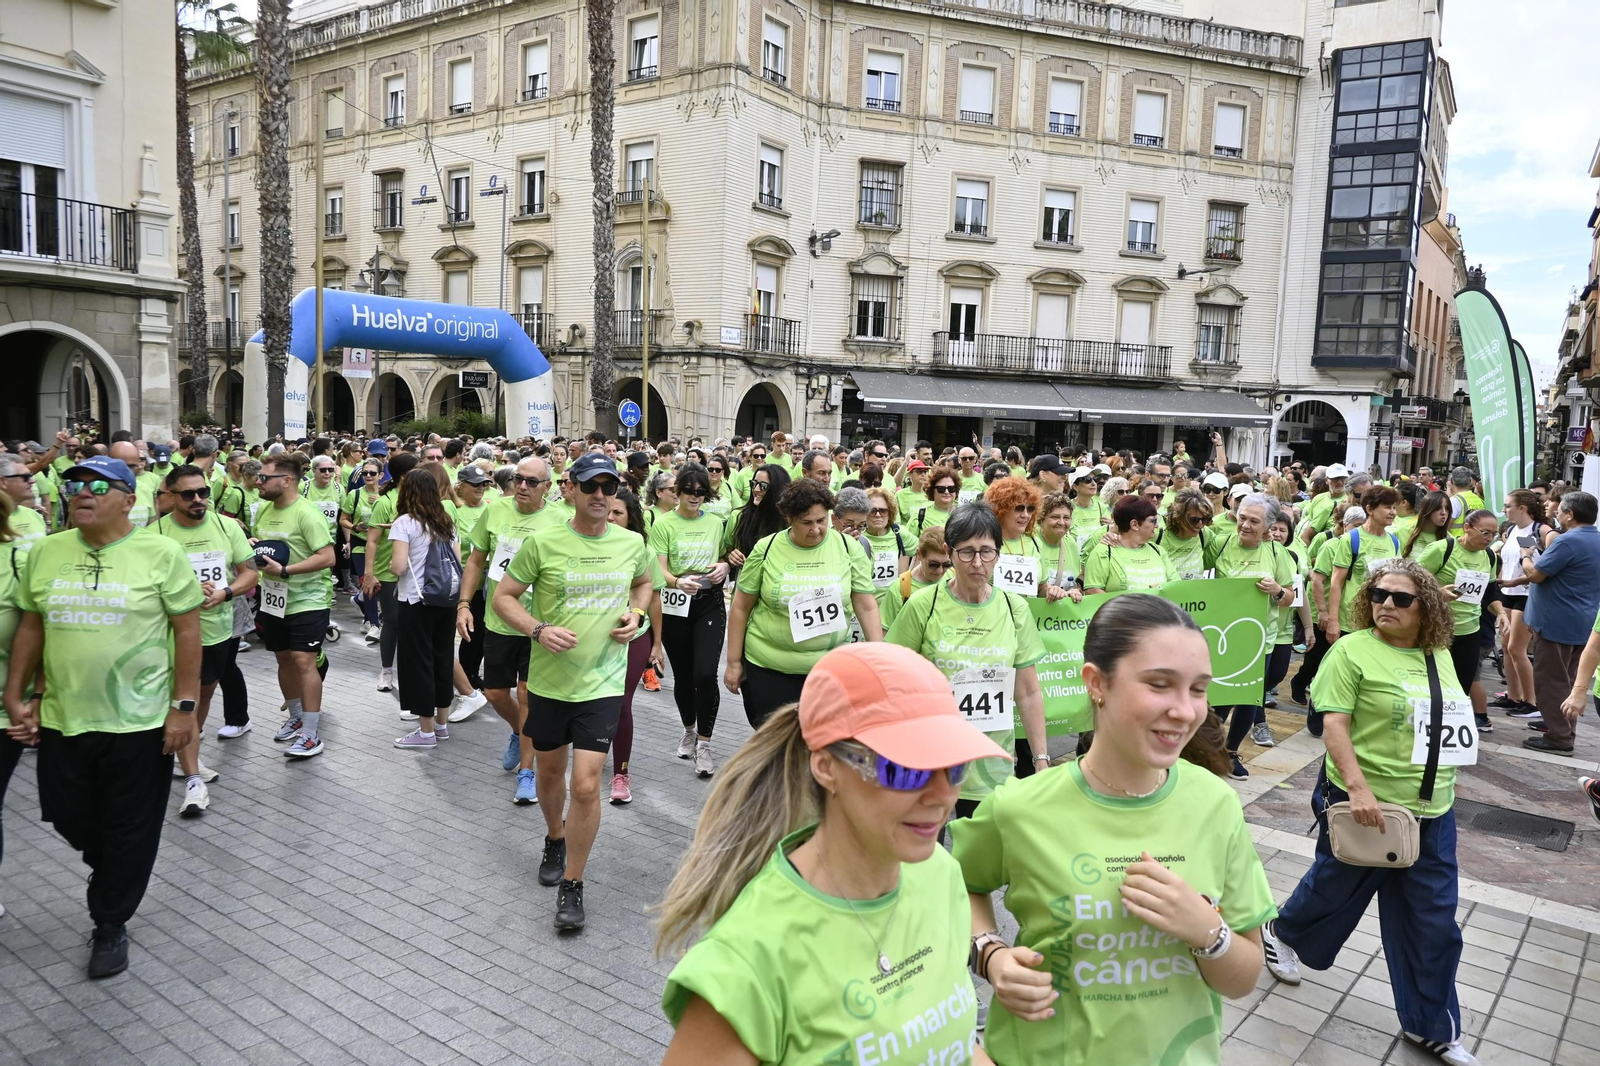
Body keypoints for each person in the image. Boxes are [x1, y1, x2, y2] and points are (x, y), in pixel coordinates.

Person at [952, 595, 1273, 1066]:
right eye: (1160, 684)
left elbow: (1242, 980)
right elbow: (952, 886)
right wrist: (990, 954)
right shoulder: (1019, 807)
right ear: (1096, 683)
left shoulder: (1216, 804)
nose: (1185, 711)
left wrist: (1206, 929)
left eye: (1198, 689)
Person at [656, 643, 1004, 1066]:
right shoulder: (746, 963)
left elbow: (955, 1044)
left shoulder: (940, 873)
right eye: (905, 770)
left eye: (954, 766)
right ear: (825, 767)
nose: (941, 796)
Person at [1261, 560, 1479, 1066]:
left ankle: (1431, 1027)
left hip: (1433, 811)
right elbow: (1334, 725)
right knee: (1333, 888)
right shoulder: (1351, 651)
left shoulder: (1438, 653)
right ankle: (1281, 932)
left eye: (1401, 598)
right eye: (1379, 594)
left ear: (1426, 607)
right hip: (1366, 804)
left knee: (1434, 922)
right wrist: (1357, 790)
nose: (1386, 604)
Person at [3, 455, 202, 978]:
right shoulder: (46, 550)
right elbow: (31, 625)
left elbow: (187, 631)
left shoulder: (160, 552)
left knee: (131, 827)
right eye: (75, 486)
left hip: (140, 720)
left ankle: (110, 921)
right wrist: (17, 692)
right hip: (63, 715)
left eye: (98, 486)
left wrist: (184, 708)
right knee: (66, 814)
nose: (82, 494)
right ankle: (114, 864)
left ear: (129, 500)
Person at [493, 452, 654, 931]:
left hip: (603, 682)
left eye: (609, 487)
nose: (600, 495)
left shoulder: (631, 543)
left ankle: (573, 882)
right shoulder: (543, 543)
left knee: (585, 785)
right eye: (591, 486)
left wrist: (636, 614)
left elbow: (644, 584)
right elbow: (503, 598)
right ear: (571, 488)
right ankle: (554, 836)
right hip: (549, 682)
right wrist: (538, 629)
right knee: (550, 773)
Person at [887, 501, 1049, 802]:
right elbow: (893, 679)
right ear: (949, 552)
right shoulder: (923, 605)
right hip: (931, 755)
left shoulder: (1015, 608)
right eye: (966, 552)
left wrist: (1041, 759)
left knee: (982, 832)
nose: (977, 563)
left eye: (987, 551)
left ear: (998, 553)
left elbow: (1027, 692)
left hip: (990, 762)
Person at [724, 478, 882, 729]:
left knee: (821, 739)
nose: (816, 529)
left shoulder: (849, 548)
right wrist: (733, 662)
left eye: (822, 520)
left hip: (828, 669)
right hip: (769, 668)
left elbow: (866, 605)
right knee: (774, 741)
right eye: (806, 523)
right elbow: (741, 607)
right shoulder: (766, 548)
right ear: (789, 518)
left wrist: (878, 659)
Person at [155, 465, 260, 815]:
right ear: (171, 498)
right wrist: (185, 589)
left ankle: (188, 748)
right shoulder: (155, 534)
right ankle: (192, 779)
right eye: (188, 494)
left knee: (204, 692)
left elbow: (249, 573)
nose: (198, 499)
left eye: (203, 492)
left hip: (217, 630)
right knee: (184, 697)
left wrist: (225, 593)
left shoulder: (226, 527)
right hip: (171, 634)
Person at [456, 456, 564, 798]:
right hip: (499, 621)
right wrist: (463, 604)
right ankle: (520, 732)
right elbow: (476, 560)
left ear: (547, 486)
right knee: (494, 693)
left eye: (532, 482)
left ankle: (527, 773)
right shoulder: (495, 511)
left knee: (527, 695)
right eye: (519, 479)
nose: (523, 486)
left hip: (538, 624)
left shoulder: (559, 519)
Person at [1203, 494, 1297, 779]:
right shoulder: (1220, 544)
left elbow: (1290, 597)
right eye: (1242, 517)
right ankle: (1207, 751)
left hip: (1259, 640)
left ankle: (1231, 753)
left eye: (1253, 521)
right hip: (1221, 637)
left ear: (1267, 526)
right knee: (1218, 697)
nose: (1245, 525)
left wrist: (1277, 590)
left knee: (1248, 699)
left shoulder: (1277, 553)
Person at [254, 452, 337, 759]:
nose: (259, 482)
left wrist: (286, 570)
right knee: (284, 659)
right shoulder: (264, 509)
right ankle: (296, 715)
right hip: (274, 599)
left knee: (304, 661)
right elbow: (269, 547)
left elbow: (327, 557)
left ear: (287, 480)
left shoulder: (307, 513)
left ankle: (311, 734)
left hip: (308, 599)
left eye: (265, 478)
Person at [651, 462, 730, 777]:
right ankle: (688, 730)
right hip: (676, 605)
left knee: (706, 673)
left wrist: (724, 566)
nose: (695, 496)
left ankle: (705, 744)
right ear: (677, 492)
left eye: (701, 492)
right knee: (683, 676)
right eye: (688, 491)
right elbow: (659, 569)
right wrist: (676, 582)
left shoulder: (716, 523)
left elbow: (725, 556)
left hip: (709, 602)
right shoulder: (664, 524)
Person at [1513, 491, 1600, 754]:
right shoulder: (1595, 539)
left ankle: (1559, 736)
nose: (1556, 513)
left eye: (1560, 510)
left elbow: (1536, 575)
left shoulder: (1568, 540)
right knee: (1567, 679)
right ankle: (1561, 726)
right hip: (1583, 620)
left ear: (1570, 514)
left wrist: (1525, 555)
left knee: (1551, 680)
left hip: (1556, 622)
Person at [389, 469, 463, 750]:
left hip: (415, 601)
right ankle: (441, 725)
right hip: (445, 600)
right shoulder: (446, 521)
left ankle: (426, 731)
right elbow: (457, 561)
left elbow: (398, 566)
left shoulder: (405, 523)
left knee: (418, 664)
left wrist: (389, 568)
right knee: (442, 659)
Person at [605, 487, 666, 805]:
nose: (611, 517)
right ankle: (595, 749)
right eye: (608, 511)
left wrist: (657, 644)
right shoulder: (588, 545)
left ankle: (621, 774)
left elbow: (654, 598)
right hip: (595, 638)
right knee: (596, 703)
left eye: (618, 513)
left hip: (635, 636)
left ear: (631, 518)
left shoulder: (643, 550)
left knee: (621, 704)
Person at [1489, 488, 1553, 719]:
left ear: (1522, 508)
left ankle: (1531, 701)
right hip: (1508, 590)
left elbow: (1549, 567)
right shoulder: (1512, 529)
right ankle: (1514, 696)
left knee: (1517, 648)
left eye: (1508, 506)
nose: (1504, 509)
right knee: (1507, 647)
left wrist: (1520, 580)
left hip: (1528, 594)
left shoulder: (1542, 530)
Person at [363, 452, 421, 693]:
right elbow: (372, 540)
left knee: (414, 625)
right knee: (392, 621)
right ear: (404, 476)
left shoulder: (421, 498)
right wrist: (369, 573)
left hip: (417, 573)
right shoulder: (385, 502)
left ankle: (413, 672)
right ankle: (386, 671)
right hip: (389, 573)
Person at [1323, 486, 1401, 647]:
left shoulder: (1394, 542)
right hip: (1350, 620)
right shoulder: (1351, 539)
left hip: (1379, 620)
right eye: (1387, 507)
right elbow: (1336, 583)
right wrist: (1333, 620)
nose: (1392, 512)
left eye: (1394, 507)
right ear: (1370, 509)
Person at [1082, 496, 1178, 593]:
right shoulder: (1103, 552)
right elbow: (1092, 591)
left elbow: (1177, 585)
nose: (1157, 525)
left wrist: (1163, 591)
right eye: (1152, 521)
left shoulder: (1158, 550)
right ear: (1134, 524)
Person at [341, 459, 384, 640]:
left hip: (381, 545)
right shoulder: (355, 494)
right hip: (360, 544)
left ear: (380, 475)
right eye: (365, 473)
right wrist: (355, 527)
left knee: (380, 584)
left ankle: (362, 603)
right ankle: (374, 624)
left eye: (372, 473)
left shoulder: (386, 495)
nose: (368, 476)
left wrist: (381, 502)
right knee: (368, 581)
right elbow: (343, 519)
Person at [986, 477, 1045, 598]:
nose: (1025, 515)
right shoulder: (986, 542)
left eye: (1030, 509)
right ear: (1001, 509)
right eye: (1019, 508)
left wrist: (1054, 591)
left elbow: (1042, 587)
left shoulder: (1034, 541)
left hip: (1028, 609)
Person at [862, 487, 910, 616]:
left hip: (893, 608)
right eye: (872, 511)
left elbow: (924, 551)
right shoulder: (856, 537)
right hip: (863, 609)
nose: (878, 515)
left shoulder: (899, 533)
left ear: (890, 513)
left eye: (883, 511)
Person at [1155, 486, 1216, 581]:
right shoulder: (1159, 536)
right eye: (1193, 520)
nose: (1200, 524)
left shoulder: (1204, 534)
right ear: (1177, 517)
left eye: (1204, 519)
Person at [1037, 492, 1083, 603]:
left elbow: (1075, 579)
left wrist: (1075, 591)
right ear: (1041, 520)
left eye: (1066, 518)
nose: (1061, 522)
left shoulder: (1070, 543)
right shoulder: (1031, 542)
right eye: (1055, 517)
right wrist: (1048, 591)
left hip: (1061, 611)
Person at [905, 463, 962, 538]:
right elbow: (908, 542)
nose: (946, 492)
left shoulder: (964, 515)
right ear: (932, 491)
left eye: (951, 488)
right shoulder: (920, 516)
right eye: (941, 489)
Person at [1403, 489, 1451, 558]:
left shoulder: (1450, 541)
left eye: (1447, 508)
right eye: (1438, 508)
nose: (1444, 512)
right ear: (1427, 509)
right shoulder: (1402, 532)